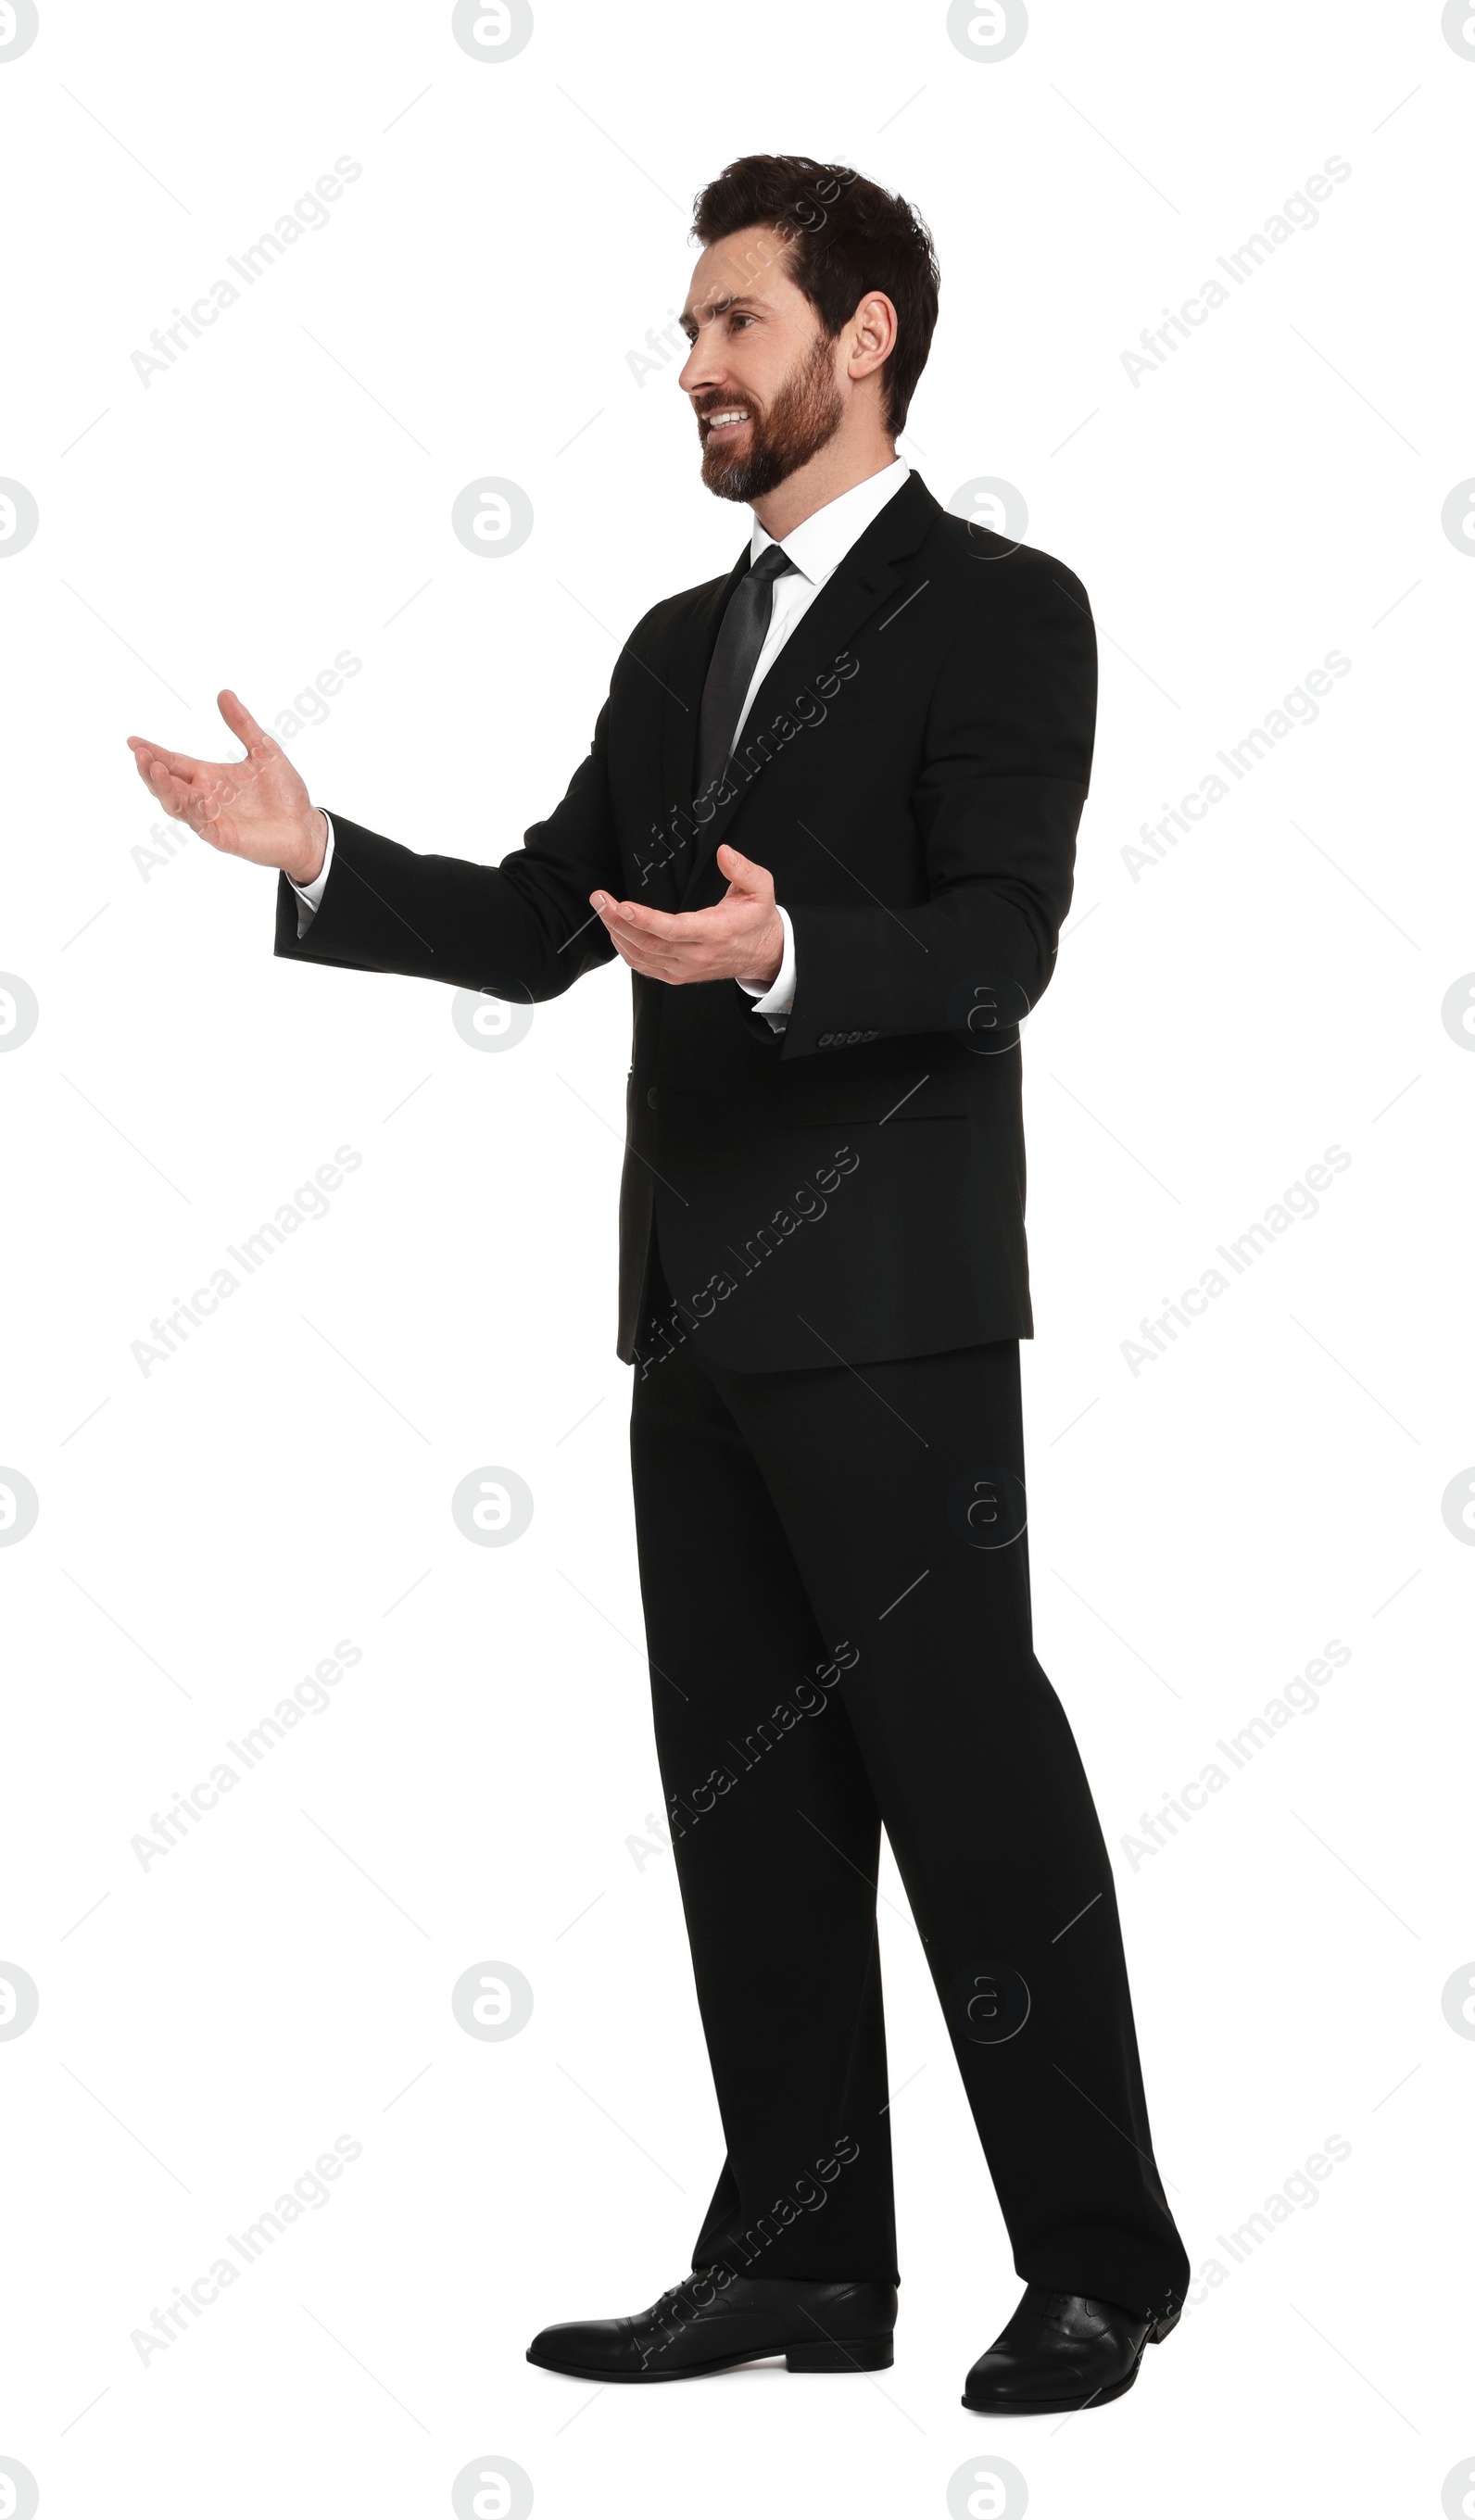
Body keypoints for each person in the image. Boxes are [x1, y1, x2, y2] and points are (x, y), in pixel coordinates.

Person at [126, 153, 1188, 2415]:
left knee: (969, 1782)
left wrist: (787, 947)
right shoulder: (665, 645)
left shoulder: (1003, 606)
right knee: (745, 1794)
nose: (690, 363)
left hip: (894, 1322)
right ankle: (803, 2261)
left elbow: (1000, 938)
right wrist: (316, 856)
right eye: (690, 329)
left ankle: (1096, 2264)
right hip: (691, 1309)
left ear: (861, 334)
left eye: (729, 323)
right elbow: (537, 923)